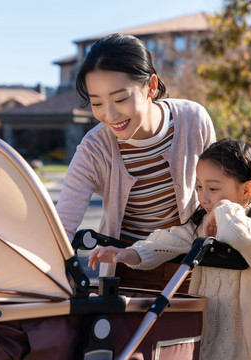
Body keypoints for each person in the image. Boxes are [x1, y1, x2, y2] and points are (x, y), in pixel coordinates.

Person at [89, 139, 251, 359]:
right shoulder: (200, 226)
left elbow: (236, 235)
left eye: (213, 188)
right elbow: (167, 242)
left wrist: (222, 208)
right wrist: (129, 253)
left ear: (247, 190)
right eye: (199, 186)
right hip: (208, 343)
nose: (204, 197)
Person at [55, 33, 216, 290]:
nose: (110, 115)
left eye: (120, 99)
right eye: (96, 103)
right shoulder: (94, 149)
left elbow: (217, 192)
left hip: (190, 266)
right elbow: (62, 226)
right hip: (126, 269)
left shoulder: (192, 120)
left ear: (150, 86)